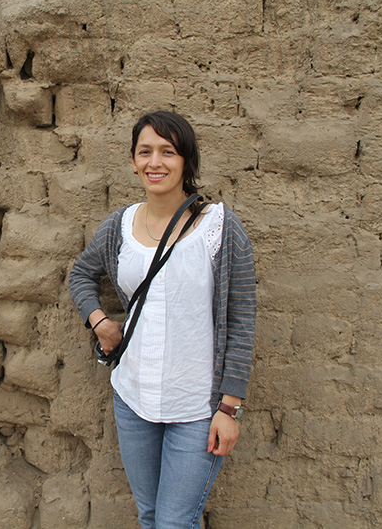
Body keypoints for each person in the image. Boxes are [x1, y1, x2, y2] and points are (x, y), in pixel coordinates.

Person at [68, 110, 256, 528]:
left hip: (197, 408)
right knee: (150, 514)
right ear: (133, 162)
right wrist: (100, 322)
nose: (156, 162)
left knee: (174, 522)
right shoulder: (119, 226)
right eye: (145, 152)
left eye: (168, 152)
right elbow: (80, 274)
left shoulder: (220, 229)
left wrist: (230, 407)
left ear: (186, 160)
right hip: (133, 398)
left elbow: (242, 319)